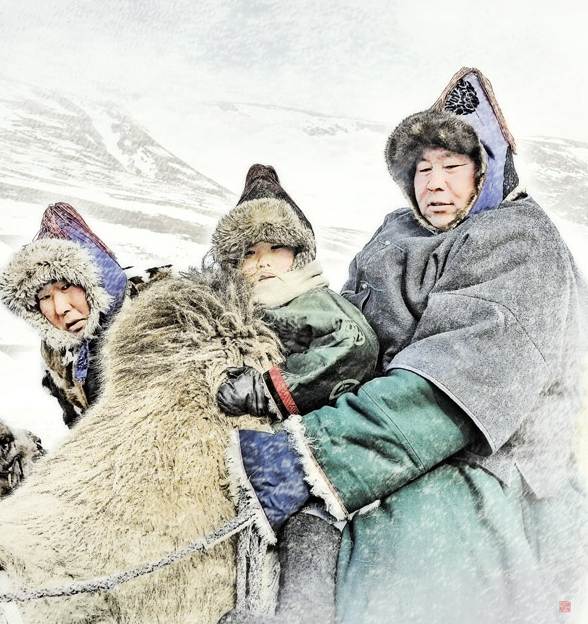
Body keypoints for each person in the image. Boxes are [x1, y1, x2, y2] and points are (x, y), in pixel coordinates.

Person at [225, 68, 588, 624]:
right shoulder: (399, 234)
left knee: (391, 574)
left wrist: (310, 455)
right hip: (381, 441)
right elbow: (349, 332)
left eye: (453, 166)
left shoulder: (520, 243)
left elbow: (449, 392)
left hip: (489, 463)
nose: (434, 184)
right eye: (422, 169)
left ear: (487, 171)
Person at [210, 164, 379, 623]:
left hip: (326, 453)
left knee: (310, 533)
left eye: (275, 248)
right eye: (249, 252)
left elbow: (353, 346)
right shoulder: (249, 310)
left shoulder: (311, 301)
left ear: (298, 256)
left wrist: (265, 389)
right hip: (272, 451)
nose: (262, 261)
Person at [0, 202, 168, 427]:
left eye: (66, 286)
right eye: (45, 297)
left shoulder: (162, 311)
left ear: (96, 282)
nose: (60, 308)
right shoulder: (57, 353)